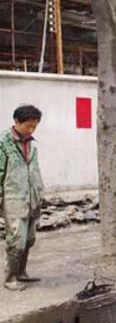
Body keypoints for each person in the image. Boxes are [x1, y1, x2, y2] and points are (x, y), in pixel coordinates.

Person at [0, 105, 44, 291]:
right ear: (17, 122)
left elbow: (35, 171)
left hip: (32, 197)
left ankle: (22, 272)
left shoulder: (31, 145)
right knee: (16, 240)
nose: (31, 130)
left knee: (29, 239)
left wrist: (40, 193)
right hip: (14, 198)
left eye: (35, 126)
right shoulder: (4, 142)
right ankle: (10, 277)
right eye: (28, 126)